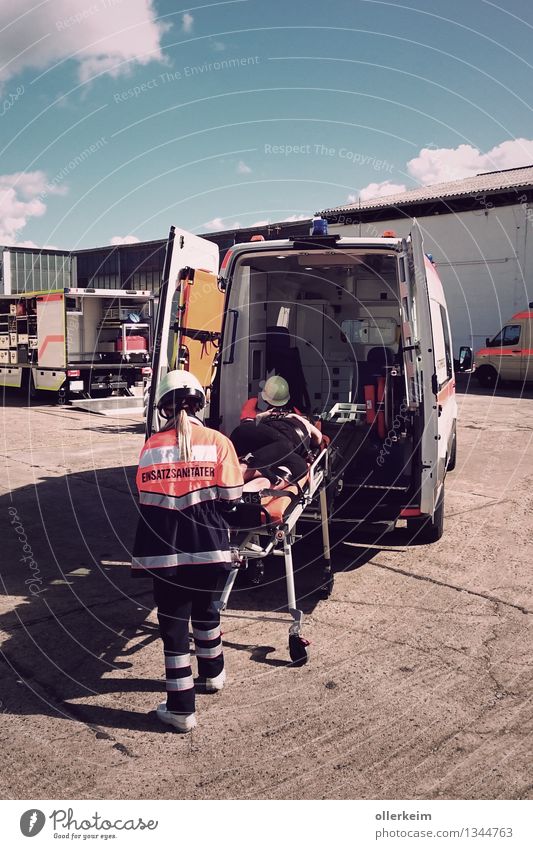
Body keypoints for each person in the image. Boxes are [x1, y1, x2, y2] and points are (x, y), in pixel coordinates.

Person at [131, 370, 243, 733]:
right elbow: (232, 498)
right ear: (200, 403)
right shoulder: (219, 442)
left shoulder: (150, 447)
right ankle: (213, 675)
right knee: (208, 611)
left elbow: (146, 497)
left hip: (163, 551)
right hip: (208, 547)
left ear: (163, 408)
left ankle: (181, 708)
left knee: (175, 628)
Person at [231, 375, 322, 484]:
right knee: (285, 445)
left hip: (258, 444)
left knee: (298, 464)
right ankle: (246, 465)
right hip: (252, 440)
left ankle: (249, 474)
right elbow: (319, 438)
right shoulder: (295, 416)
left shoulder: (295, 416)